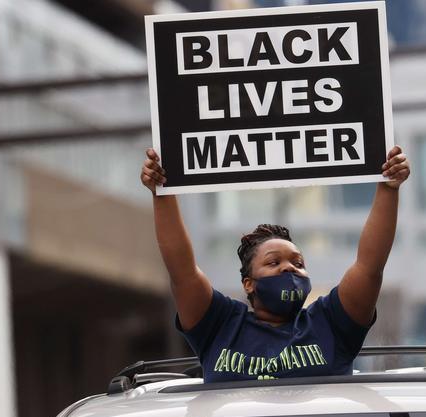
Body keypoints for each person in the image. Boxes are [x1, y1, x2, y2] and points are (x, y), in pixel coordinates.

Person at [141, 146, 410, 382]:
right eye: (274, 262)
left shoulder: (331, 322)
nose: (289, 268)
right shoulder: (219, 324)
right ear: (249, 284)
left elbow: (369, 266)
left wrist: (388, 187)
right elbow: (182, 272)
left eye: (298, 262)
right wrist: (162, 193)